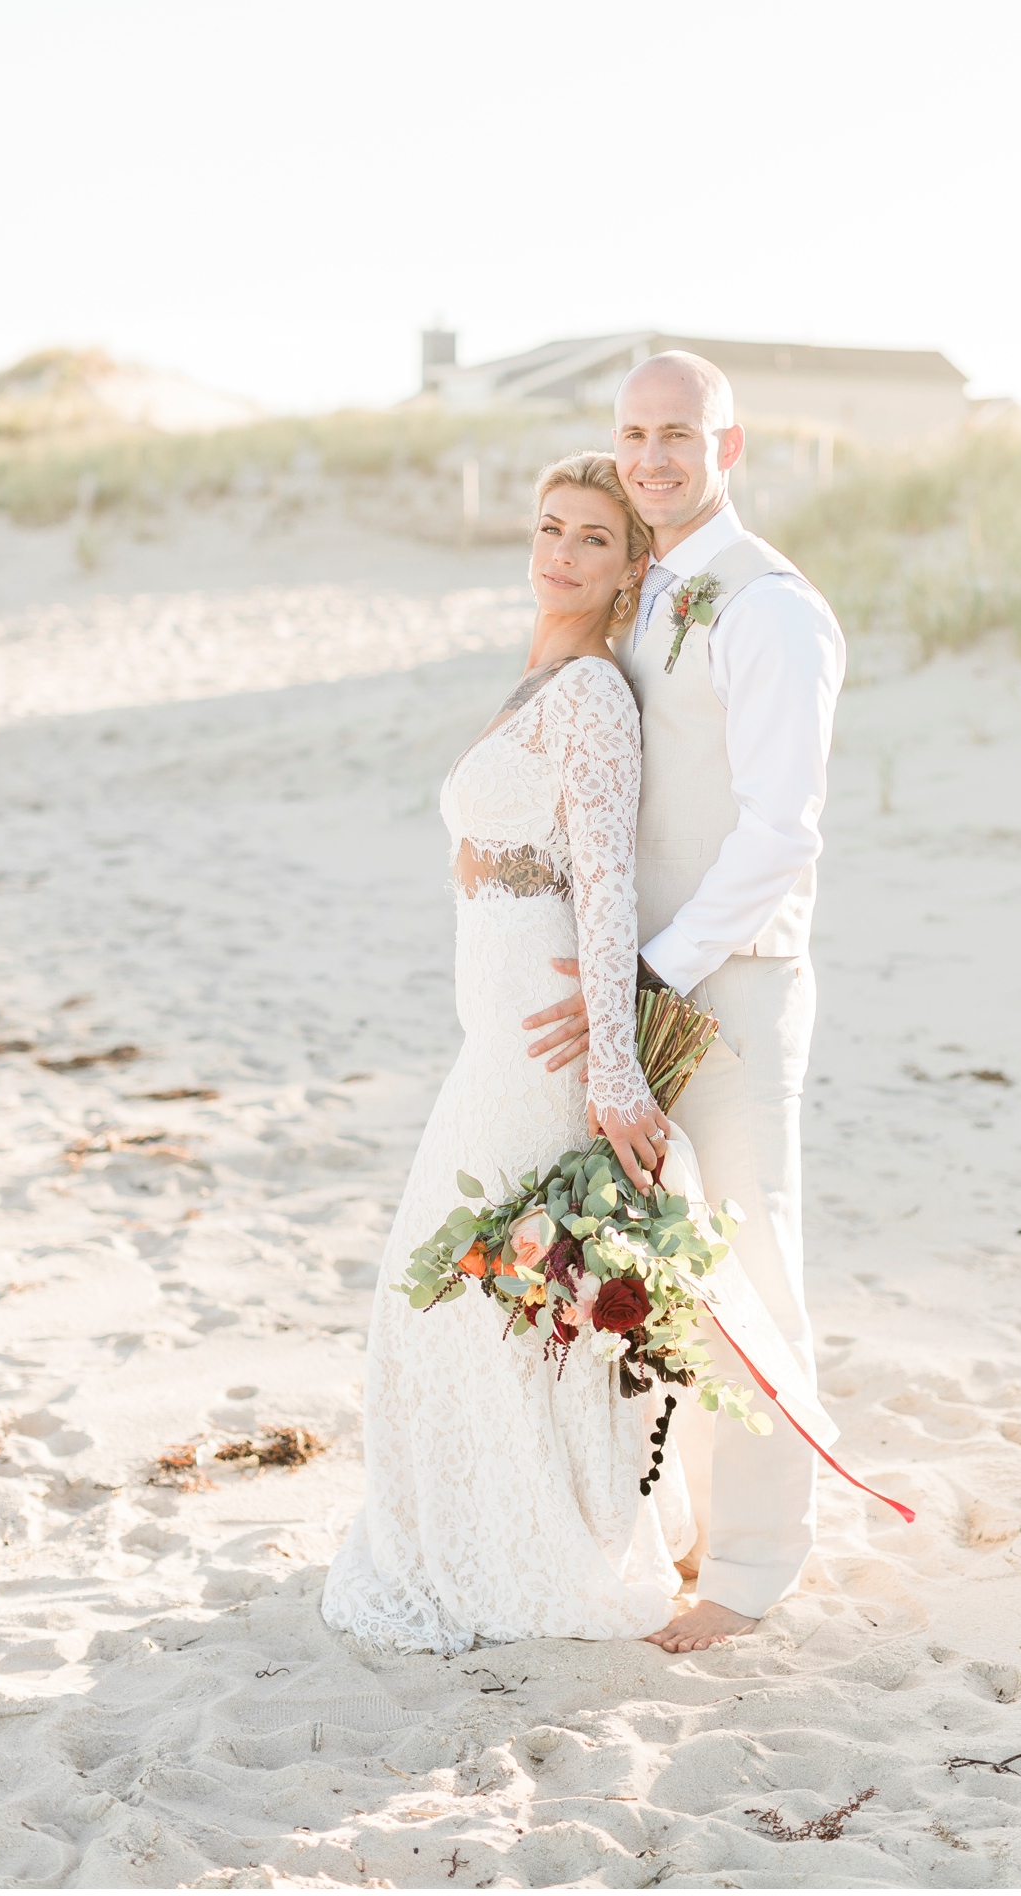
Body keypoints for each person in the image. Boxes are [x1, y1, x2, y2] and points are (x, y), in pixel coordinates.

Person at [321, 453, 696, 1652]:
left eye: (594, 537)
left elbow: (605, 874)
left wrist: (609, 1054)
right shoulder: (534, 681)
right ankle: (498, 1527)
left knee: (460, 1286)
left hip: (541, 1034)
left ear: (633, 563)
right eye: (549, 527)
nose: (562, 552)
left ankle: (533, 1550)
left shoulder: (589, 692)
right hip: (496, 1019)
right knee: (488, 1290)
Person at [523, 352, 846, 1653]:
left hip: (734, 984)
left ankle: (756, 1571)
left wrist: (655, 970)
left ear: (729, 443)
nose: (653, 456)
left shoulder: (766, 606)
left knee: (752, 1264)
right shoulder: (650, 589)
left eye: (678, 435)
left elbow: (783, 832)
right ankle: (704, 1522)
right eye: (634, 433)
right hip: (654, 981)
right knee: (675, 1277)